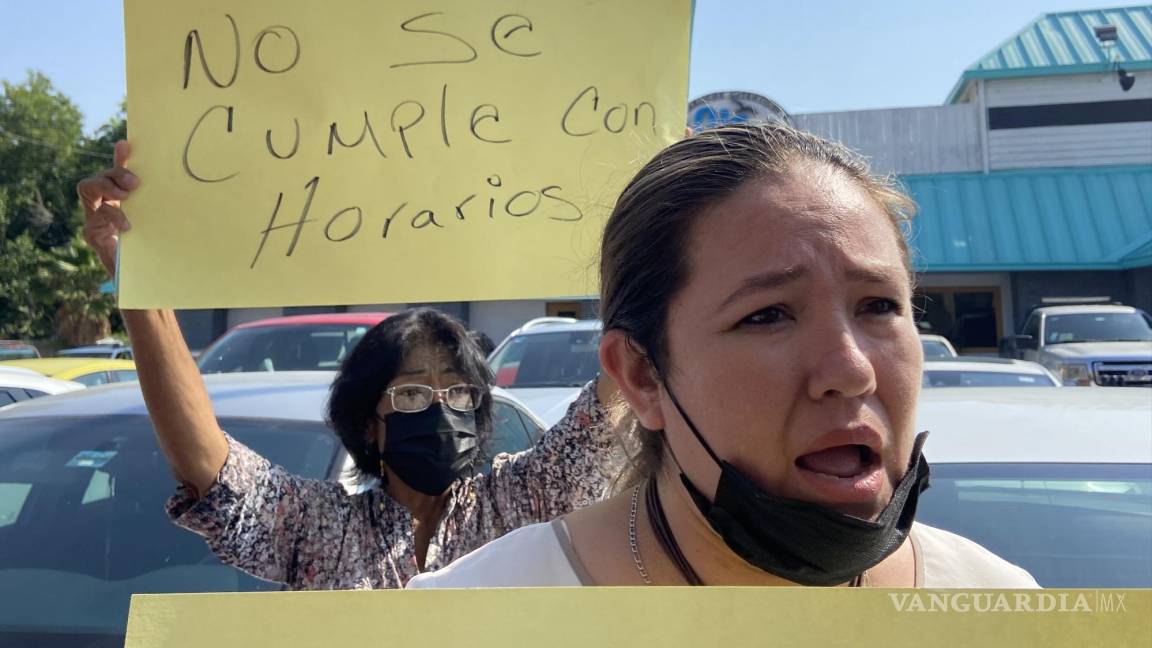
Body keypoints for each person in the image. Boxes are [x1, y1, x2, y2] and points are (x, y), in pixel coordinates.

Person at [408, 124, 1039, 588]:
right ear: (641, 375)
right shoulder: (477, 612)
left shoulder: (997, 605)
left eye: (878, 306)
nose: (851, 370)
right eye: (767, 315)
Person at [76, 142, 617, 589]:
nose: (440, 412)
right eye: (410, 395)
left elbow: (611, 398)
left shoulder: (524, 501)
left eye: (458, 394)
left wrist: (662, 219)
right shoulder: (322, 531)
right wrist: (140, 284)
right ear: (367, 423)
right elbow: (207, 467)